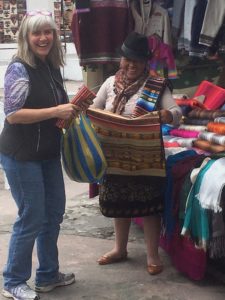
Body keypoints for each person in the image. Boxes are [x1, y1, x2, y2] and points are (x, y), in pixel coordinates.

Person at [0, 10, 92, 300]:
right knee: (32, 217)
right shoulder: (19, 68)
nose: (43, 38)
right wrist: (56, 111)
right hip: (21, 155)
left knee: (52, 214)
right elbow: (13, 115)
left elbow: (57, 113)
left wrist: (73, 108)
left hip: (48, 153)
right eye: (36, 33)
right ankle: (14, 280)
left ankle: (48, 274)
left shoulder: (50, 66)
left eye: (48, 32)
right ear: (26, 37)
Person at [91, 31, 182, 275]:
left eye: (137, 61)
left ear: (146, 63)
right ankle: (119, 249)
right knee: (118, 202)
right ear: (121, 59)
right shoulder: (110, 83)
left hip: (146, 157)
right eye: (127, 59)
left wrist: (164, 115)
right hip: (114, 157)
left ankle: (152, 256)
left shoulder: (156, 86)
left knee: (149, 206)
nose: (131, 65)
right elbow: (94, 109)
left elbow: (177, 115)